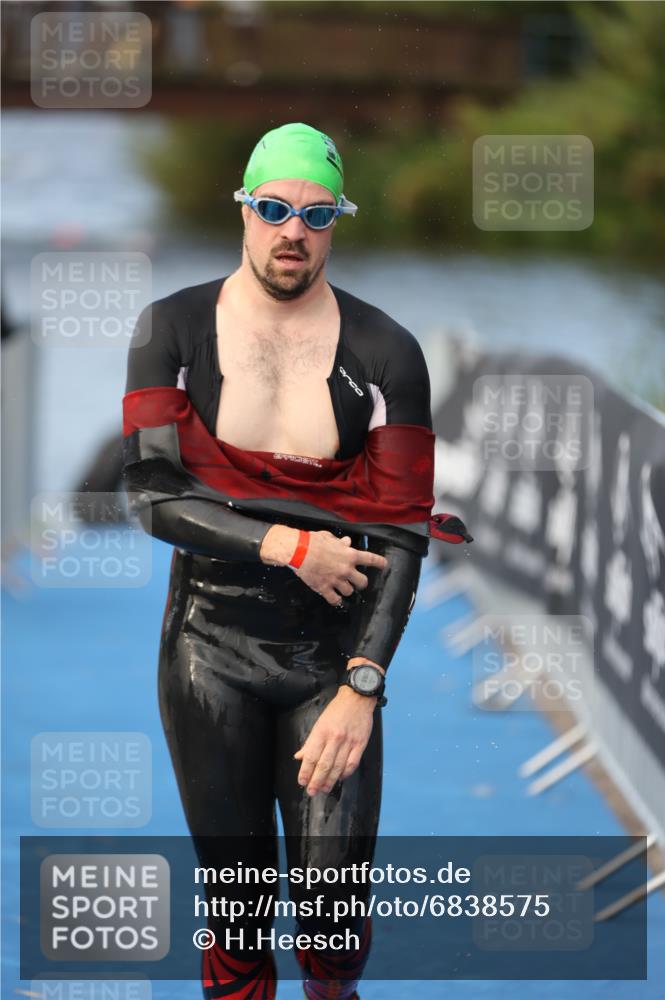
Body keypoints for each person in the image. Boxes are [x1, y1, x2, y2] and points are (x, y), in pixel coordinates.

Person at [121, 123, 470, 1000]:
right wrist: (289, 545)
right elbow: (151, 494)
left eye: (315, 215)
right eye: (273, 209)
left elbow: (401, 530)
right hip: (209, 643)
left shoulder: (388, 352)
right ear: (242, 210)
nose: (292, 231)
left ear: (336, 222)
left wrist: (362, 686)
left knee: (332, 919)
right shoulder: (171, 328)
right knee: (237, 916)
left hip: (332, 655)